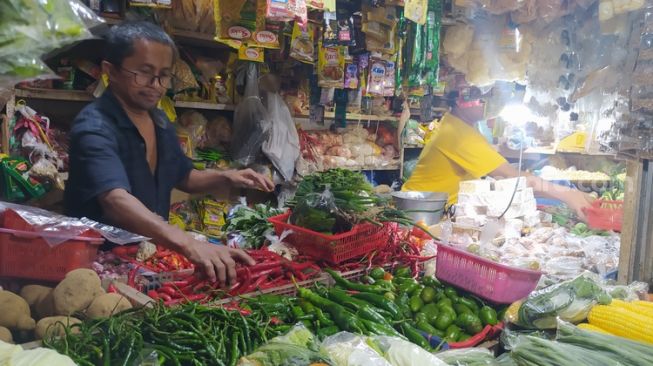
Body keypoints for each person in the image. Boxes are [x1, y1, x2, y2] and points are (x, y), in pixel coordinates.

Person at [64, 22, 275, 286]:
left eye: (164, 75)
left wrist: (229, 177)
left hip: (146, 260)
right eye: (144, 73)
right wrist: (187, 242)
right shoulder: (93, 127)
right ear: (110, 71)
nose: (156, 85)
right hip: (96, 268)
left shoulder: (159, 120)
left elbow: (185, 177)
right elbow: (115, 200)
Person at [402, 95, 595, 221]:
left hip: (432, 212)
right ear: (462, 100)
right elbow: (512, 177)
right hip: (422, 217)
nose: (491, 102)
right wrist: (568, 194)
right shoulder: (458, 133)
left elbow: (502, 176)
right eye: (482, 97)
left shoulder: (460, 125)